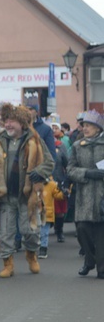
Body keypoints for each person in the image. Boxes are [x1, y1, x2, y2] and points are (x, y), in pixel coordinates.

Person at [0, 104, 54, 278]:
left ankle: (31, 255)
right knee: (5, 233)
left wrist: (39, 172)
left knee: (30, 231)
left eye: (11, 121)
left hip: (27, 196)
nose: (7, 124)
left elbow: (49, 162)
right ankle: (7, 264)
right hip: (5, 196)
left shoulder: (35, 141)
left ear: (22, 123)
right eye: (5, 121)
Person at [66, 110, 104, 278]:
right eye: (84, 125)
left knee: (101, 235)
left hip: (102, 196)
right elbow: (70, 170)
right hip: (84, 195)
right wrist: (87, 173)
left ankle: (101, 268)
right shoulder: (77, 146)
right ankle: (89, 260)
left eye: (89, 125)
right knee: (82, 230)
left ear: (98, 128)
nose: (85, 128)